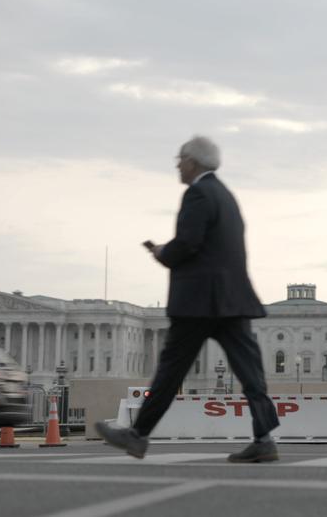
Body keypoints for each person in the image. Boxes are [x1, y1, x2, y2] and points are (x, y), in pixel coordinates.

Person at [96, 135, 280, 463]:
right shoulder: (226, 195)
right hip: (233, 298)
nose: (178, 165)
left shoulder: (197, 193)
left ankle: (137, 436)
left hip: (199, 301)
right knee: (251, 373)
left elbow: (189, 243)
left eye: (180, 159)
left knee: (170, 371)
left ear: (193, 162)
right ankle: (264, 438)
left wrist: (162, 252)